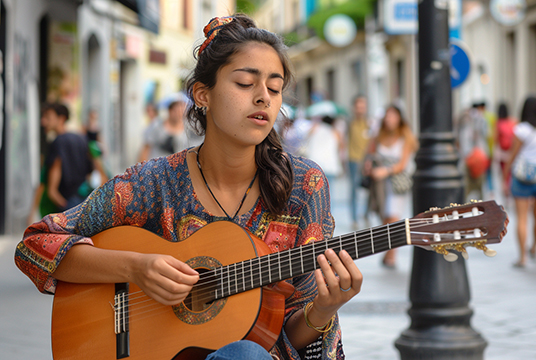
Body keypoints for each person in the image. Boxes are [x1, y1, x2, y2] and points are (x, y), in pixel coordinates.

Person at [15, 14, 363, 360]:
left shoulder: (303, 185)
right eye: (245, 83)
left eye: (274, 88)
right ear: (202, 94)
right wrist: (135, 267)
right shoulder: (154, 182)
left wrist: (321, 311)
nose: (264, 98)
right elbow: (35, 244)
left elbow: (288, 336)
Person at [364, 105, 418, 268]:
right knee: (384, 218)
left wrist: (385, 171)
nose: (390, 119)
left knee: (393, 218)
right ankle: (388, 252)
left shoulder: (405, 137)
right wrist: (368, 165)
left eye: (393, 116)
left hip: (397, 184)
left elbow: (402, 164)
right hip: (380, 185)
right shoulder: (378, 136)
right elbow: (369, 154)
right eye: (388, 116)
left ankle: (391, 255)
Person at [503, 96, 536, 268]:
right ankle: (534, 247)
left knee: (522, 218)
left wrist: (505, 174)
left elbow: (513, 154)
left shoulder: (521, 129)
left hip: (521, 178)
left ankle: (523, 257)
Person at [40, 102, 95, 211]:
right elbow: (90, 170)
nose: (44, 122)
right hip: (84, 199)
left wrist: (64, 206)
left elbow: (52, 191)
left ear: (61, 118)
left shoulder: (58, 142)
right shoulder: (81, 138)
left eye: (48, 117)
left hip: (68, 203)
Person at [305, 115, 344, 208]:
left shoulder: (314, 129)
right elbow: (340, 147)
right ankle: (328, 216)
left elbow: (305, 141)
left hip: (315, 165)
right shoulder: (335, 132)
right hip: (330, 166)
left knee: (314, 193)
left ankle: (315, 216)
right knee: (329, 193)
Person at [347, 95, 371, 229]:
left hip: (366, 160)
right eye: (358, 106)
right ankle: (355, 219)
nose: (360, 108)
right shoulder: (350, 123)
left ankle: (366, 215)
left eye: (363, 106)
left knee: (369, 190)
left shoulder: (369, 123)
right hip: (353, 160)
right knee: (354, 190)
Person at [493, 102, 517, 197]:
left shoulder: (498, 123)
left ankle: (505, 190)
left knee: (504, 173)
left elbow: (495, 139)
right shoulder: (513, 122)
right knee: (511, 173)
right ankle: (510, 189)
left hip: (503, 152)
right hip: (512, 151)